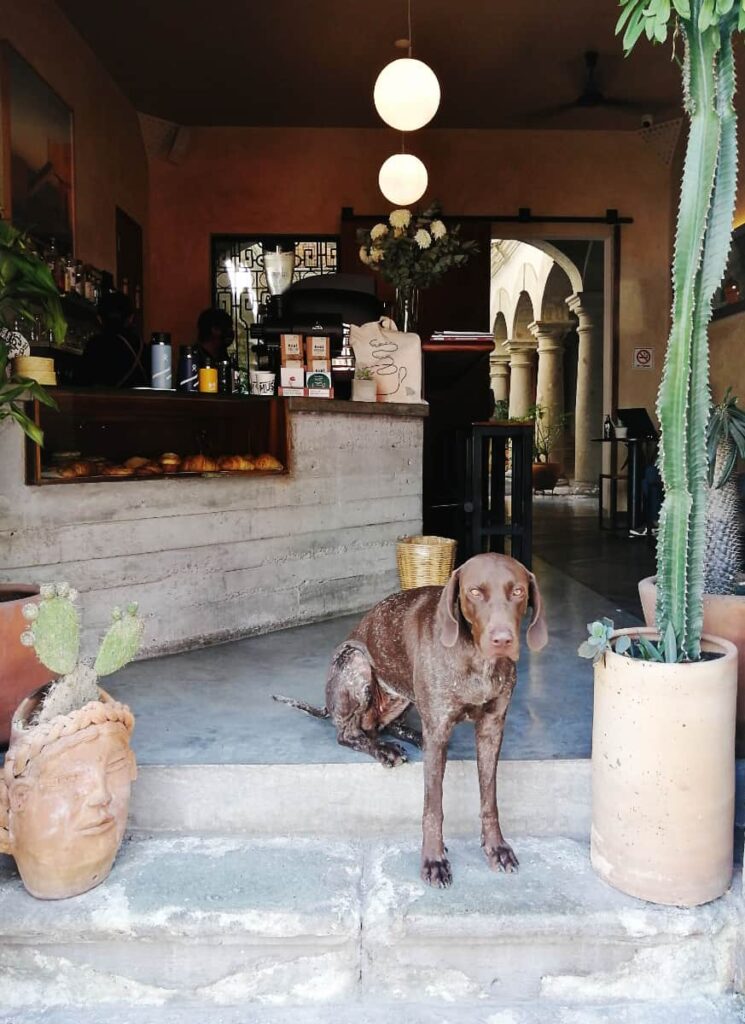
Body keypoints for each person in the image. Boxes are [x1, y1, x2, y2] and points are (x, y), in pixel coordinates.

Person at [78, 291, 147, 388]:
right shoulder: (142, 347)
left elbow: (81, 383)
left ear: (99, 319)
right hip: (137, 402)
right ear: (131, 318)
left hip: (102, 402)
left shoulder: (95, 345)